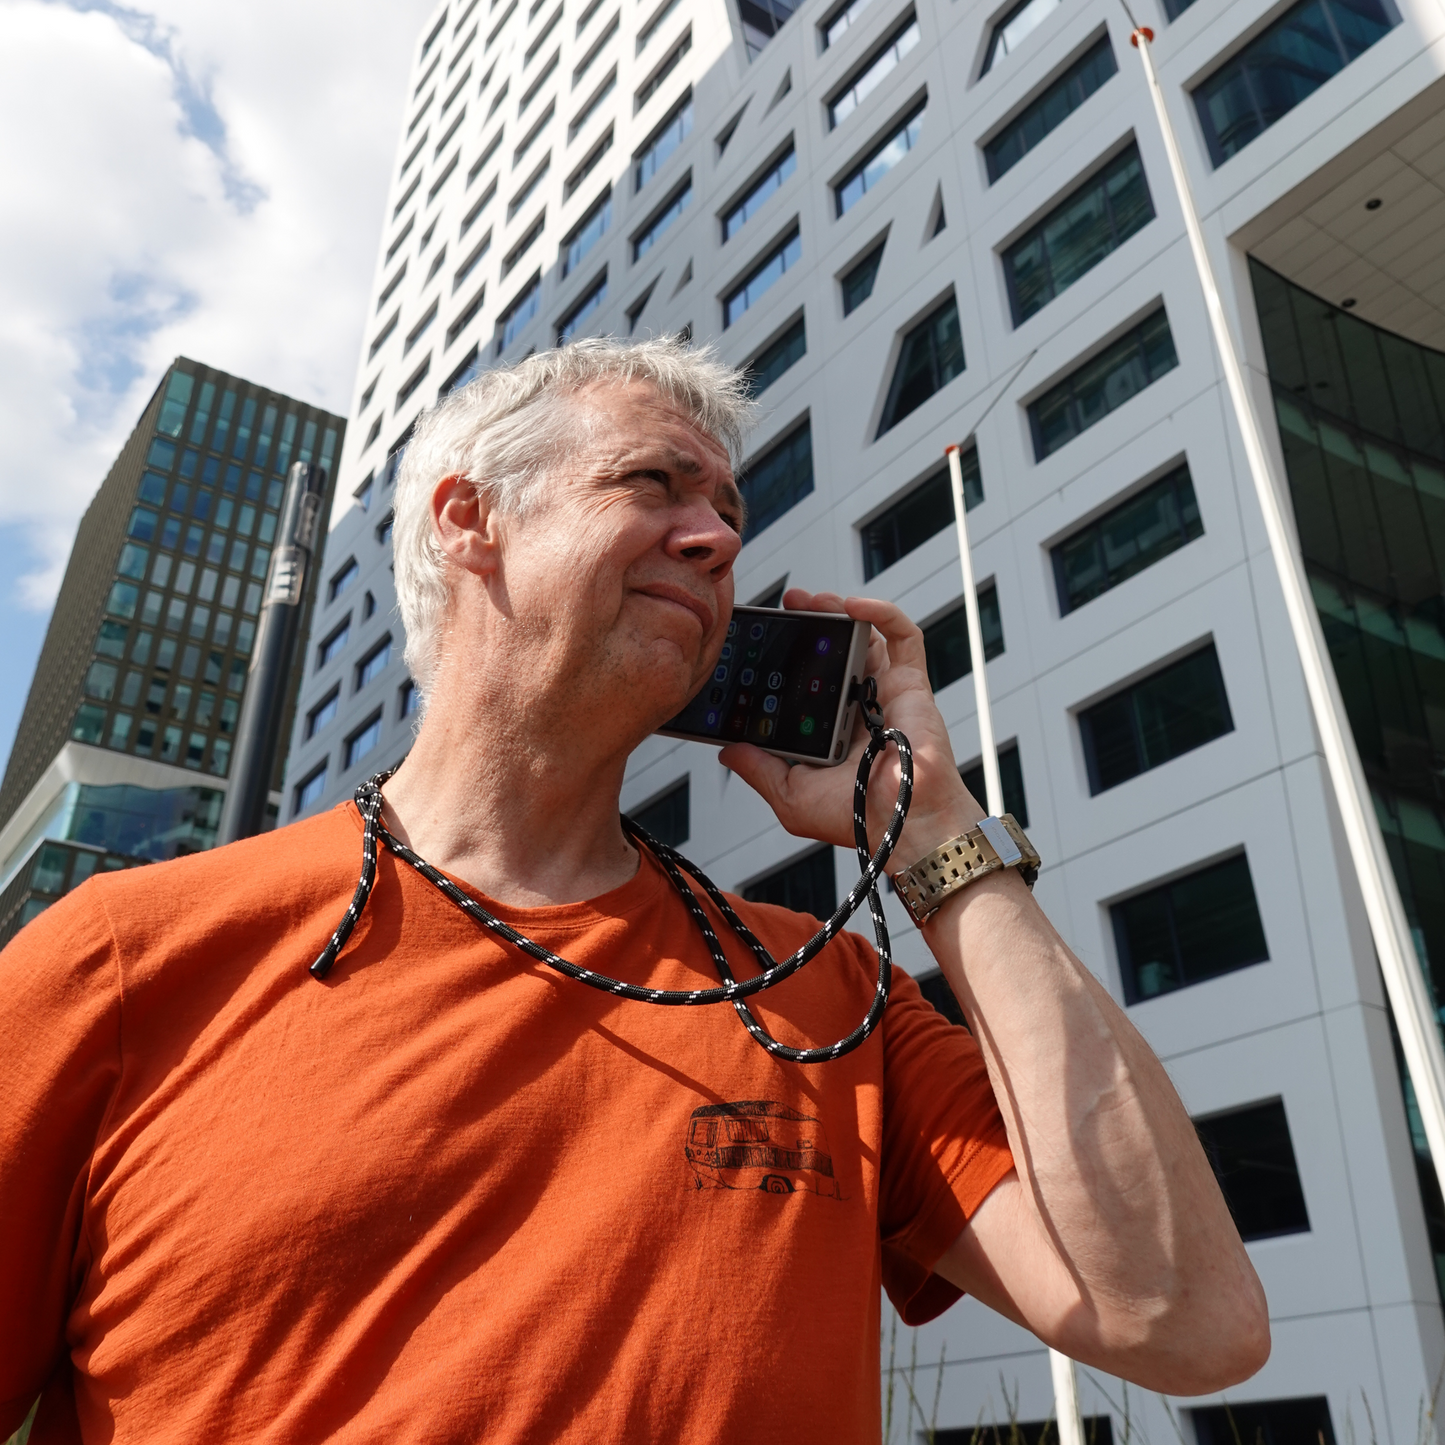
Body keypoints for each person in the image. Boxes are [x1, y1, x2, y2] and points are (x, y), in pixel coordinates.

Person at [0, 339, 1267, 1444]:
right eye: (651, 484)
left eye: (725, 512)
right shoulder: (128, 953)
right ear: (467, 520)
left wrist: (933, 836)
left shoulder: (825, 994)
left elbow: (1187, 1321)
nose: (716, 540)